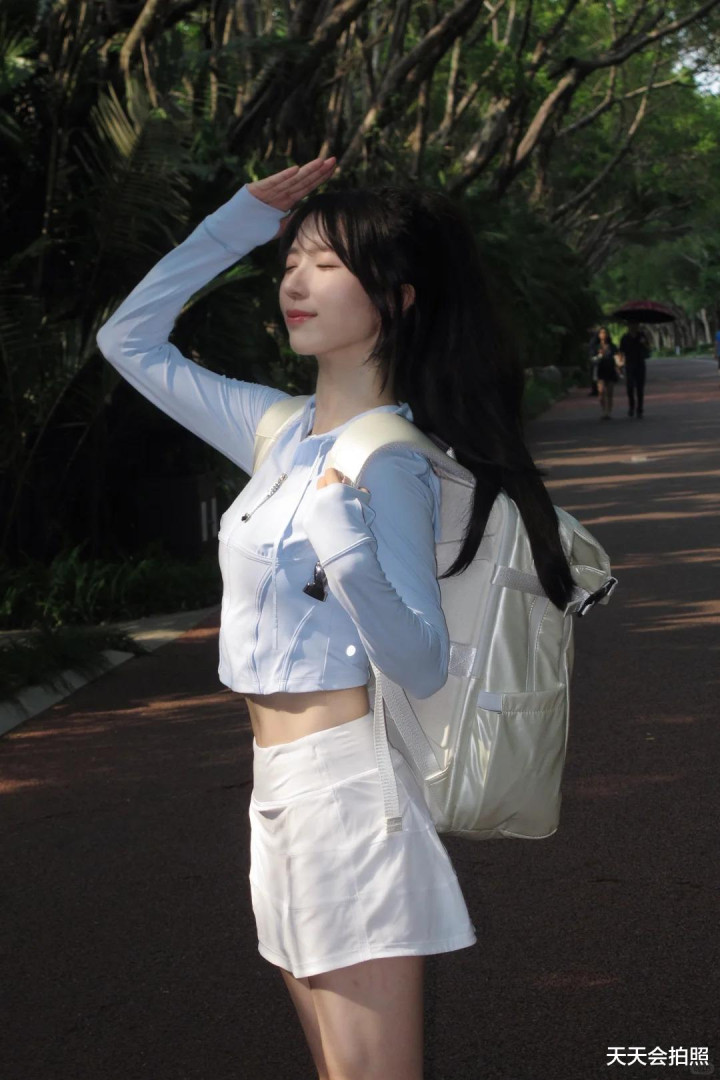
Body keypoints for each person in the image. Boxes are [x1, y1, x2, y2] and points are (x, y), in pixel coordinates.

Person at [96, 155, 577, 1079]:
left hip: (345, 792)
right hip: (274, 786)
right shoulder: (276, 430)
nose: (296, 282)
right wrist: (235, 226)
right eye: (291, 263)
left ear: (396, 299)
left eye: (327, 264)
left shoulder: (389, 459)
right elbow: (129, 341)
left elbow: (423, 661)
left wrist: (344, 549)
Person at [620, 323, 650, 417]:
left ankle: (640, 409)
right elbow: (621, 351)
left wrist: (644, 343)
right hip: (629, 365)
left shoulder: (642, 336)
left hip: (640, 364)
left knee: (640, 388)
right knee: (630, 387)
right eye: (632, 325)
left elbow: (648, 348)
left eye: (635, 325)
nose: (634, 327)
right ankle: (631, 406)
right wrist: (620, 365)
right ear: (628, 326)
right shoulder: (625, 337)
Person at [594, 326, 619, 420]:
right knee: (601, 392)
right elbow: (592, 359)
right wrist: (599, 355)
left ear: (608, 335)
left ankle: (608, 411)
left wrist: (619, 364)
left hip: (610, 371)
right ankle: (604, 410)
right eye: (601, 333)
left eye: (605, 333)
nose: (603, 334)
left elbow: (617, 357)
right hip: (600, 371)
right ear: (598, 335)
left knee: (609, 393)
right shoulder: (596, 347)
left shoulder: (612, 346)